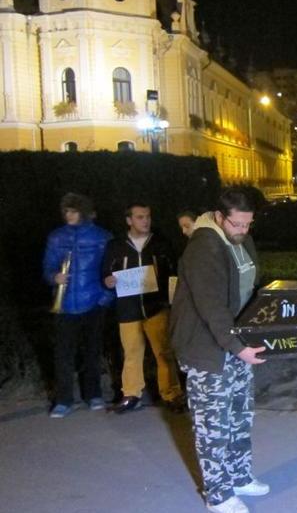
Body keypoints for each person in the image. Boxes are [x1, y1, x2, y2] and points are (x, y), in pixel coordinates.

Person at [170, 188, 268, 513]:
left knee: (240, 415)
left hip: (234, 343)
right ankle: (218, 494)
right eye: (237, 224)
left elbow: (250, 288)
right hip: (206, 349)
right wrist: (238, 347)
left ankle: (239, 476)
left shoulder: (241, 239)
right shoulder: (204, 246)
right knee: (213, 426)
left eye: (248, 224)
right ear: (218, 216)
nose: (243, 230)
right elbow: (211, 305)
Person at [102, 203, 184, 413]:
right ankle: (131, 394)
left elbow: (173, 273)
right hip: (128, 309)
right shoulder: (115, 245)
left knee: (164, 353)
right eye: (140, 217)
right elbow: (105, 273)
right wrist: (108, 280)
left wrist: (171, 301)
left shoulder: (161, 243)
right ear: (129, 220)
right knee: (131, 353)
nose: (145, 221)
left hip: (156, 307)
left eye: (147, 216)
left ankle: (172, 394)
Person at [43, 193, 113, 418]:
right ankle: (64, 400)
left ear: (83, 212)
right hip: (64, 305)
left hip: (94, 303)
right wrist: (53, 277)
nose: (69, 215)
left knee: (92, 352)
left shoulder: (102, 237)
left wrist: (104, 299)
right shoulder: (56, 237)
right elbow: (48, 266)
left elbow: (111, 270)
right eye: (66, 211)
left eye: (73, 211)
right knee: (63, 355)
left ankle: (93, 394)